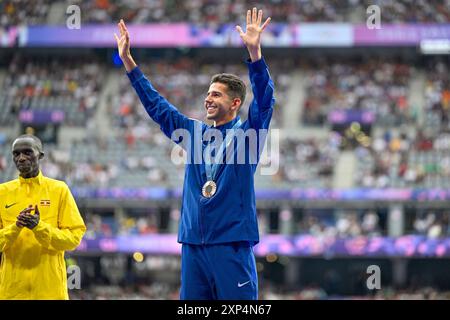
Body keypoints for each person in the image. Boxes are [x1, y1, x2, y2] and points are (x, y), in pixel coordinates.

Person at [115, 7, 275, 300]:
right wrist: (129, 63)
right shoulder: (193, 133)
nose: (208, 98)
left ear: (236, 102)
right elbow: (157, 107)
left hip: (231, 243)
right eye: (208, 93)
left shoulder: (248, 135)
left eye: (216, 94)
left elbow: (265, 102)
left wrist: (255, 57)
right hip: (192, 245)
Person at [0, 134, 86, 299]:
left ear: (40, 155)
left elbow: (74, 239)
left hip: (51, 292)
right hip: (12, 292)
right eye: (16, 154)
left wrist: (39, 227)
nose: (21, 158)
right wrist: (15, 227)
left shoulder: (59, 190)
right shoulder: (2, 193)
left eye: (27, 152)